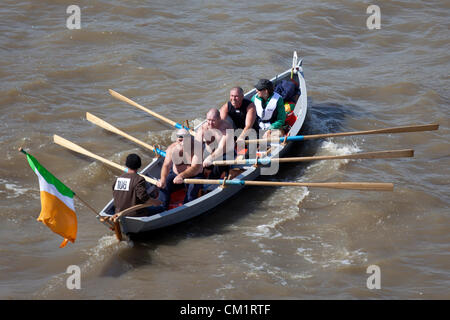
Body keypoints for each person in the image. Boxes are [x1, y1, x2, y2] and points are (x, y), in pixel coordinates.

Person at [157, 129, 204, 209]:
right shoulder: (171, 148)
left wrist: (181, 176)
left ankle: (186, 209)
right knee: (164, 186)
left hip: (194, 176)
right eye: (180, 140)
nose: (183, 143)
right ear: (176, 140)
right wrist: (163, 179)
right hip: (176, 176)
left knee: (191, 192)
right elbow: (166, 165)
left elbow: (195, 168)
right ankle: (162, 207)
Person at [111, 153, 162, 220]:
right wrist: (155, 202)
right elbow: (143, 197)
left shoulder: (118, 179)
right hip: (136, 214)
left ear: (126, 165)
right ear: (139, 165)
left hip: (118, 212)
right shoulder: (139, 179)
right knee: (162, 208)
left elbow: (114, 191)